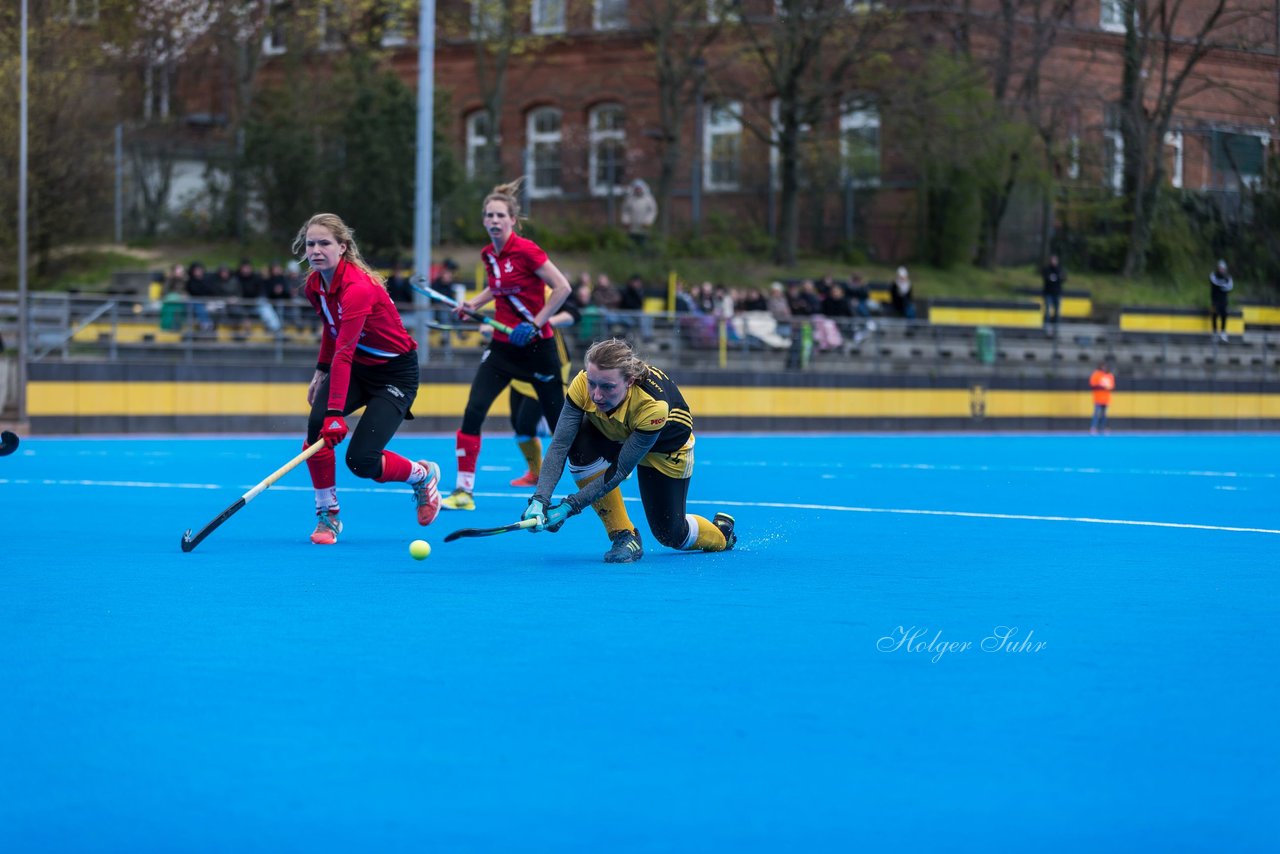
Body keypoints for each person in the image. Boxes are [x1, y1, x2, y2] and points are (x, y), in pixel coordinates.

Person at [294, 212, 443, 545]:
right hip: (357, 367)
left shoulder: (357, 288)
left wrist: (336, 415)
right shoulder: (314, 285)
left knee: (361, 461)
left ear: (342, 247)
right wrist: (320, 371)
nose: (316, 250)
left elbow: (344, 351)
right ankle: (327, 514)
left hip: (395, 373)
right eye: (310, 244)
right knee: (315, 428)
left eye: (324, 243)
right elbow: (332, 331)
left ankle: (422, 475)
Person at [520, 338, 737, 563]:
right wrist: (540, 500)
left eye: (608, 387)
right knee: (578, 443)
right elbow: (559, 445)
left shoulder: (653, 406)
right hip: (617, 432)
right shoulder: (582, 383)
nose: (596, 395)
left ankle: (722, 534)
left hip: (664, 452)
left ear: (630, 381)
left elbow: (620, 469)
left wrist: (567, 508)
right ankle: (624, 536)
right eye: (592, 383)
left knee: (671, 534)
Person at [440, 177, 573, 511]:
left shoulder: (527, 251)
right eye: (489, 216)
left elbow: (562, 289)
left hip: (537, 349)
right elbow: (497, 289)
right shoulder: (489, 255)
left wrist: (535, 323)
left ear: (513, 220)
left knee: (560, 425)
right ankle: (463, 491)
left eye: (500, 215)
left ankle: (600, 470)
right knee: (474, 411)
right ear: (484, 221)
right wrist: (473, 305)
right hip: (502, 349)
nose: (494, 221)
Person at [507, 300, 579, 487]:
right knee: (519, 425)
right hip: (521, 367)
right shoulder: (508, 293)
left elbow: (573, 314)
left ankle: (600, 460)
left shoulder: (546, 290)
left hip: (549, 365)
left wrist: (544, 321)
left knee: (535, 424)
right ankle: (536, 473)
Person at [620, 178, 657, 250]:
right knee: (631, 245)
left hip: (644, 228)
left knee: (643, 245)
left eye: (639, 189)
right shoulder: (629, 199)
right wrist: (626, 221)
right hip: (631, 228)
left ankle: (642, 259)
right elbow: (625, 211)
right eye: (636, 189)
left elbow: (652, 211)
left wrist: (648, 222)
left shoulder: (648, 199)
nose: (637, 190)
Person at [1089, 360, 1115, 435]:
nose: (1104, 368)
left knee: (1104, 414)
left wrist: (1106, 387)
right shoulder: (1096, 375)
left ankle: (1103, 428)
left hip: (1106, 398)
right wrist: (1102, 387)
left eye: (1105, 366)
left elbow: (1112, 386)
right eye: (1103, 366)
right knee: (1096, 413)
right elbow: (1093, 385)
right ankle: (1093, 427)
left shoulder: (1109, 375)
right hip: (1098, 398)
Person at [1041, 254, 1065, 335]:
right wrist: (1055, 278)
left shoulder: (1060, 269)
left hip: (1057, 293)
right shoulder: (1047, 269)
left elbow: (1063, 278)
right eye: (1052, 260)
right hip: (1048, 294)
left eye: (1054, 260)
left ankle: (1056, 331)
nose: (1053, 262)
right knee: (1047, 313)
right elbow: (1047, 278)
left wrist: (1055, 278)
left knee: (1057, 314)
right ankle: (1046, 331)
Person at [1210, 259, 1232, 342]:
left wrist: (1221, 286)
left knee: (1224, 315)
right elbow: (1214, 283)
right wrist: (1222, 285)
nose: (1221, 269)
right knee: (1214, 314)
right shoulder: (1213, 275)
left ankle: (1223, 332)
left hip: (1224, 300)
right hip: (1215, 300)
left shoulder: (1228, 277)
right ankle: (1215, 332)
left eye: (1222, 268)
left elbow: (1230, 287)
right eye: (1220, 268)